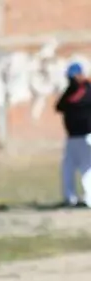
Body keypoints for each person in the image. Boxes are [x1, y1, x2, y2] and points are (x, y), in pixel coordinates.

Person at [56, 62, 91, 208]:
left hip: (87, 136)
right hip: (72, 137)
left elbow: (79, 102)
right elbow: (59, 106)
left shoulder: (87, 90)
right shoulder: (69, 91)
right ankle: (70, 198)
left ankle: (89, 199)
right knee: (67, 168)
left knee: (87, 169)